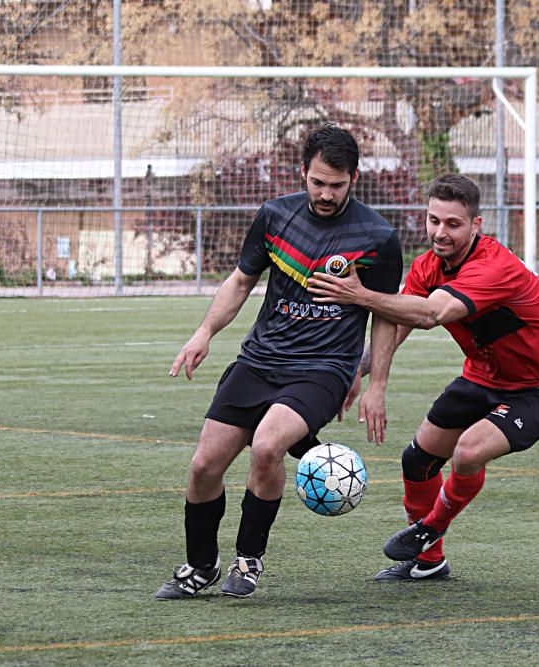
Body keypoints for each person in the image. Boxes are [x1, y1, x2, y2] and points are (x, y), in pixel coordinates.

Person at [154, 124, 403, 600]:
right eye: (317, 182)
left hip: (324, 368)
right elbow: (241, 282)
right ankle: (200, 566)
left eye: (337, 184)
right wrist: (205, 332)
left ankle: (248, 559)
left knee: (267, 446)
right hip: (260, 360)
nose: (326, 194)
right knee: (205, 464)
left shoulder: (377, 236)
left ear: (355, 177)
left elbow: (386, 315)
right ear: (303, 172)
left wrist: (376, 384)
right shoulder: (274, 216)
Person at [307, 174, 539, 580]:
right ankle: (429, 562)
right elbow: (397, 322)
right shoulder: (428, 266)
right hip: (485, 374)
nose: (440, 232)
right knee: (418, 460)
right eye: (433, 220)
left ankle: (430, 527)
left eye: (453, 224)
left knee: (469, 451)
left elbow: (429, 314)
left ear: (476, 225)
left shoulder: (493, 267)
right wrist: (359, 373)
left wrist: (358, 295)